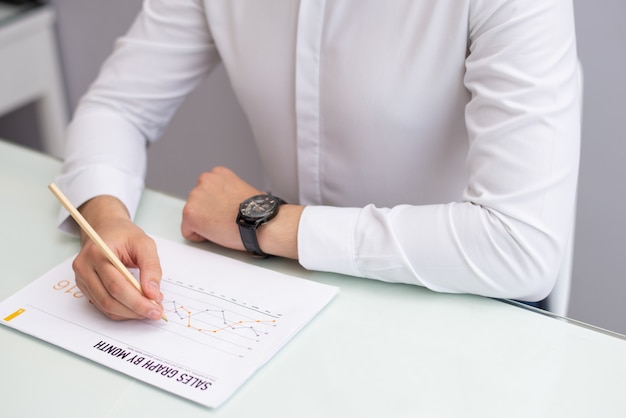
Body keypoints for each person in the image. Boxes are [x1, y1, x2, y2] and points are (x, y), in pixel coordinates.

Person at [55, 0, 581, 321]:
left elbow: (521, 245)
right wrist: (104, 218)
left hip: (464, 301)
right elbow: (118, 106)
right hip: (293, 297)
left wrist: (265, 223)